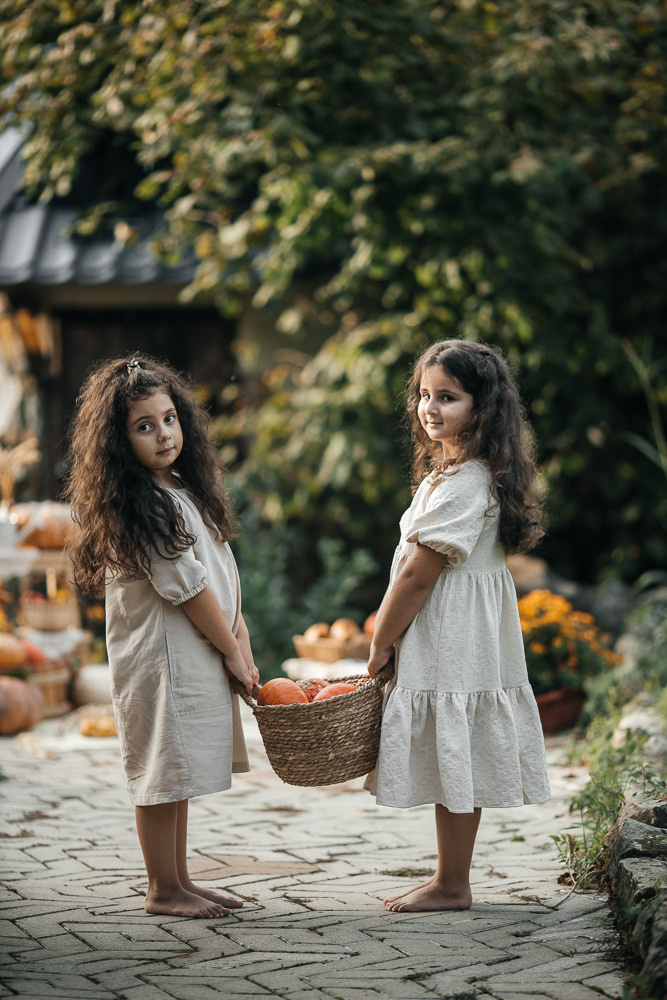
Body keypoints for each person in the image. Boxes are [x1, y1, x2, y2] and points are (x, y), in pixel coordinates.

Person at [65, 355, 260, 919]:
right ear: (118, 441)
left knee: (179, 771)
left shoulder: (179, 488)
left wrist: (240, 646)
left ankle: (181, 879)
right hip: (164, 659)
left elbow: (224, 581)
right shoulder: (143, 505)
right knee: (160, 771)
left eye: (169, 419)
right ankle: (162, 889)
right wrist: (230, 648)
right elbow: (191, 589)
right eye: (143, 426)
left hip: (195, 650)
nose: (163, 434)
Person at [365, 339, 551, 913]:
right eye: (424, 395)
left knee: (456, 747)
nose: (430, 407)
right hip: (457, 630)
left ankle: (452, 883)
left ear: (483, 407)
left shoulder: (466, 482)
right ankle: (451, 879)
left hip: (451, 632)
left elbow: (419, 575)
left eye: (448, 397)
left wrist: (380, 640)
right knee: (457, 748)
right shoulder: (462, 474)